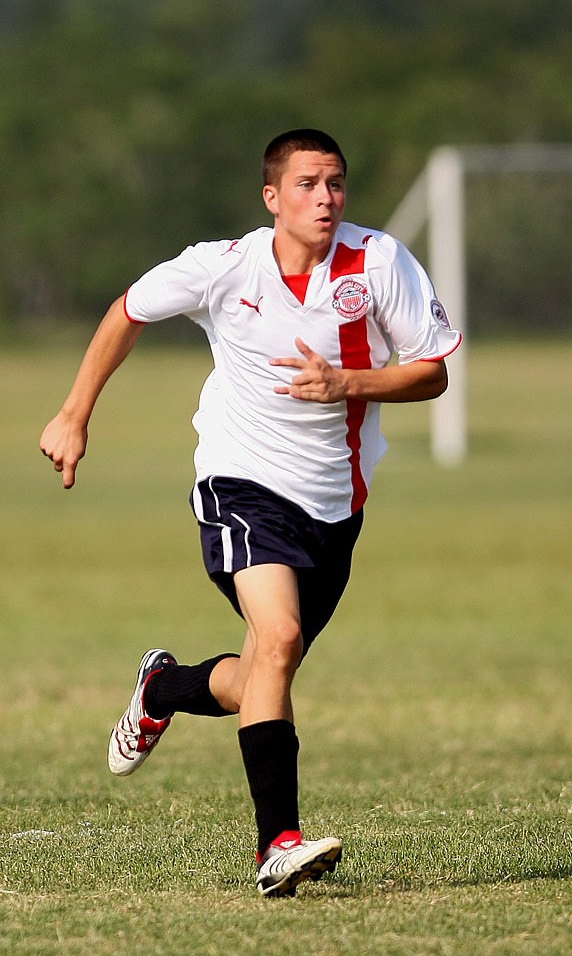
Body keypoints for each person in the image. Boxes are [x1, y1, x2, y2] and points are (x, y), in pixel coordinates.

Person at [39, 128, 461, 898]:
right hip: (240, 484)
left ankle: (162, 689)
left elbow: (432, 373)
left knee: (267, 668)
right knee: (281, 637)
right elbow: (127, 310)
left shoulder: (379, 262)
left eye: (335, 183)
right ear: (272, 198)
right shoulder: (224, 267)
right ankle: (279, 846)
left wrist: (348, 386)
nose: (325, 198)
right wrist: (74, 413)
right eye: (307, 184)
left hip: (336, 504)